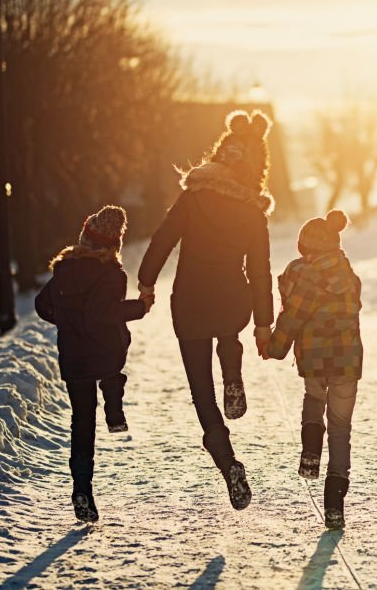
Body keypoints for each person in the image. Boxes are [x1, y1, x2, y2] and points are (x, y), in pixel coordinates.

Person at [137, 110, 274, 511]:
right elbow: (261, 272)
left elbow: (162, 239)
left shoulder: (194, 197)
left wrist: (146, 284)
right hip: (234, 299)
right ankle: (232, 367)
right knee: (229, 334)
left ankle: (228, 462)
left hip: (191, 300)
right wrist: (263, 325)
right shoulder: (253, 211)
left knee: (201, 391)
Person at [35, 205, 153, 522]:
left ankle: (82, 490)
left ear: (84, 239)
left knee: (82, 422)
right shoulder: (112, 274)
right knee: (114, 362)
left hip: (74, 356)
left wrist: (67, 321)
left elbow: (42, 305)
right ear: (114, 245)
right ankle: (114, 406)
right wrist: (139, 308)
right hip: (104, 351)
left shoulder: (64, 271)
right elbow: (103, 313)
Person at [263, 209, 363, 529]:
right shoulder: (349, 275)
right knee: (341, 429)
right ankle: (335, 504)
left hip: (316, 360)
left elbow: (293, 316)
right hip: (347, 360)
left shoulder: (304, 276)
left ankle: (310, 450)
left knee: (314, 399)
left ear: (304, 247)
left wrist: (275, 349)